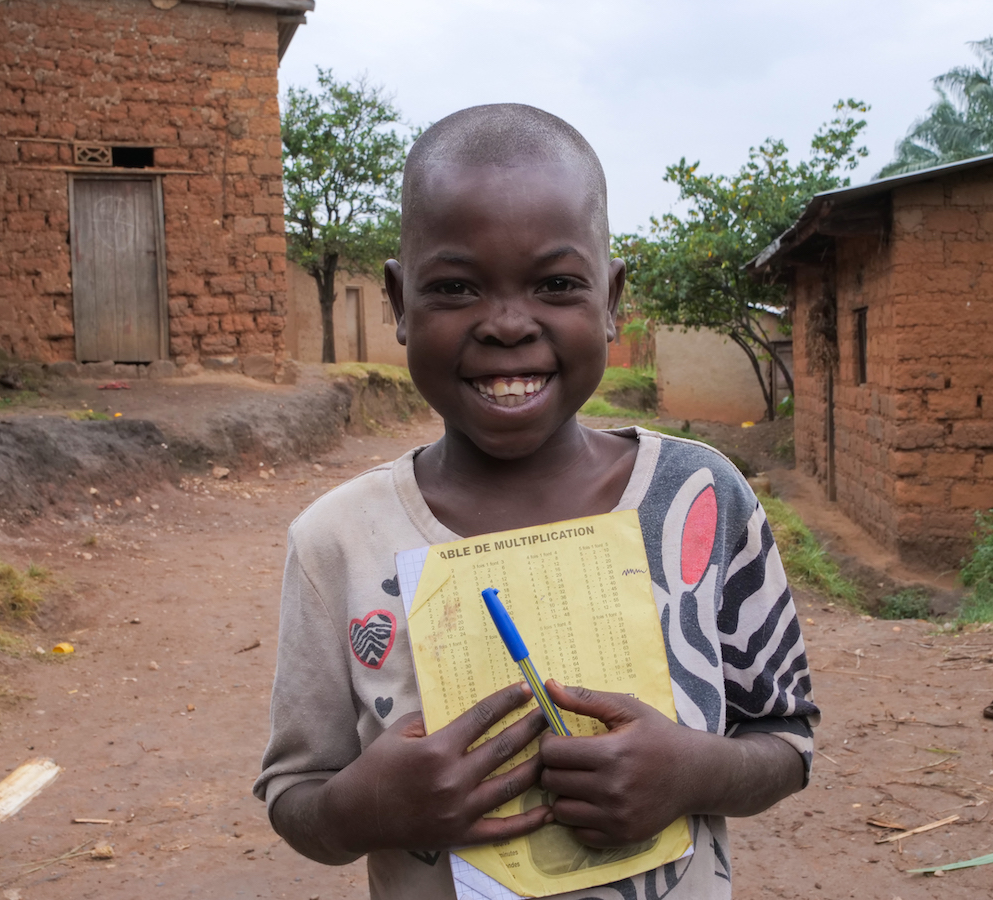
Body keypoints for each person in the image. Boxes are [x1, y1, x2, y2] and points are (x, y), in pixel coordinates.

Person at [254, 103, 818, 899]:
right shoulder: (338, 542)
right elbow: (296, 797)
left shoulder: (699, 498)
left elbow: (786, 741)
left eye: (556, 284)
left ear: (612, 296)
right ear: (398, 301)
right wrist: (366, 806)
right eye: (455, 288)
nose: (509, 325)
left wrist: (689, 772)